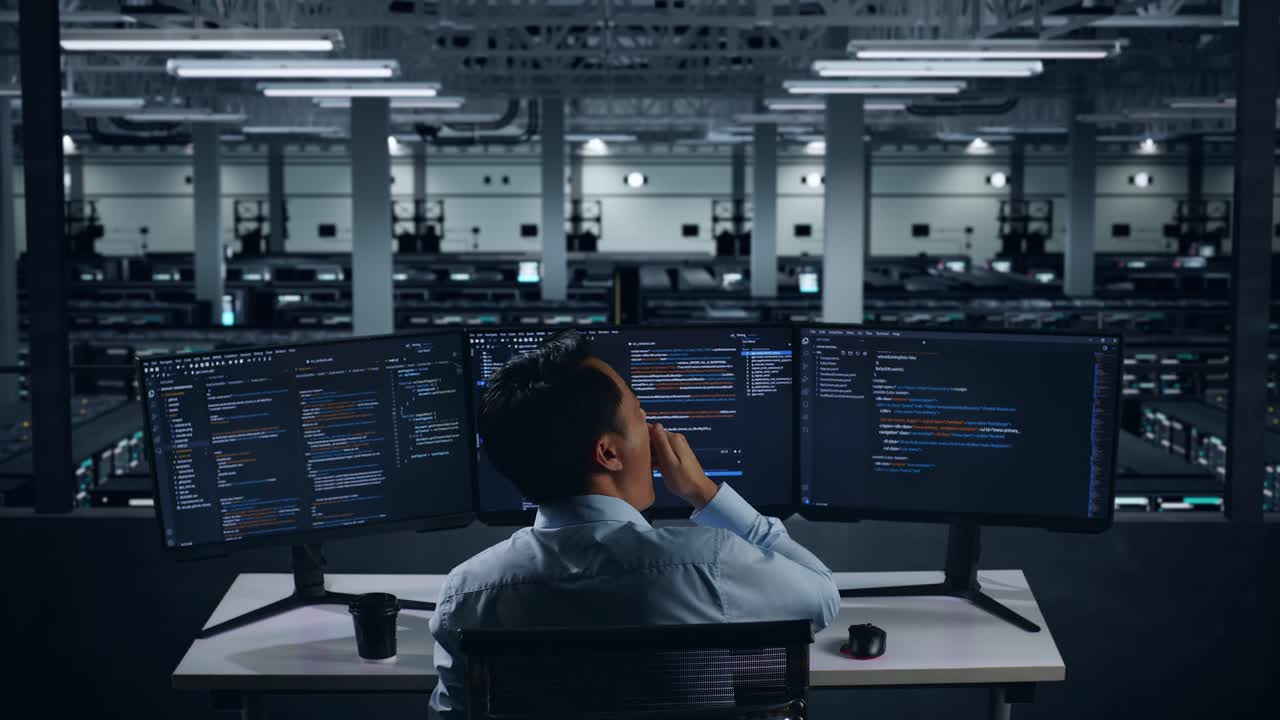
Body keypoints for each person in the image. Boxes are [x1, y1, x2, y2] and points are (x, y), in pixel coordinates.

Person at [428, 329, 840, 718]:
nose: (656, 429)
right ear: (608, 454)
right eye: (641, 415)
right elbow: (821, 596)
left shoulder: (465, 594)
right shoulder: (711, 565)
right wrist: (705, 493)